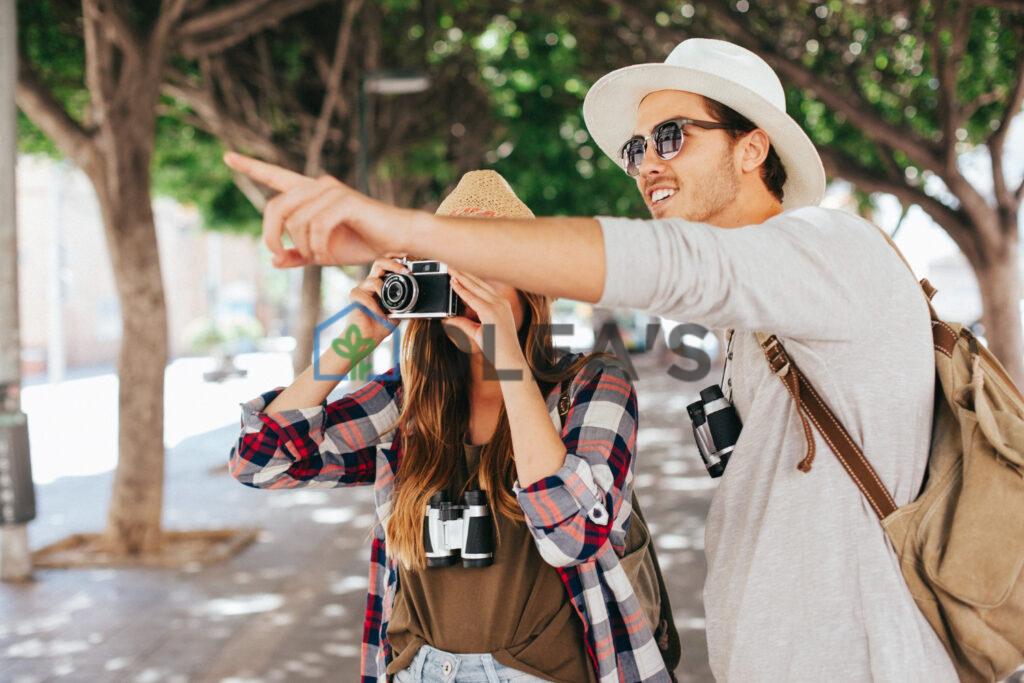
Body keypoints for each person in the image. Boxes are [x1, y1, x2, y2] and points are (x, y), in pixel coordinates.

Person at [229, 170, 674, 682]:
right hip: (420, 670)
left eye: (487, 270)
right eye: (452, 271)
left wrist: (506, 360)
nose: (468, 289)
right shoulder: (408, 401)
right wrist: (356, 336)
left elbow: (572, 537)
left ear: (533, 287)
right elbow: (261, 462)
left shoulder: (591, 386)